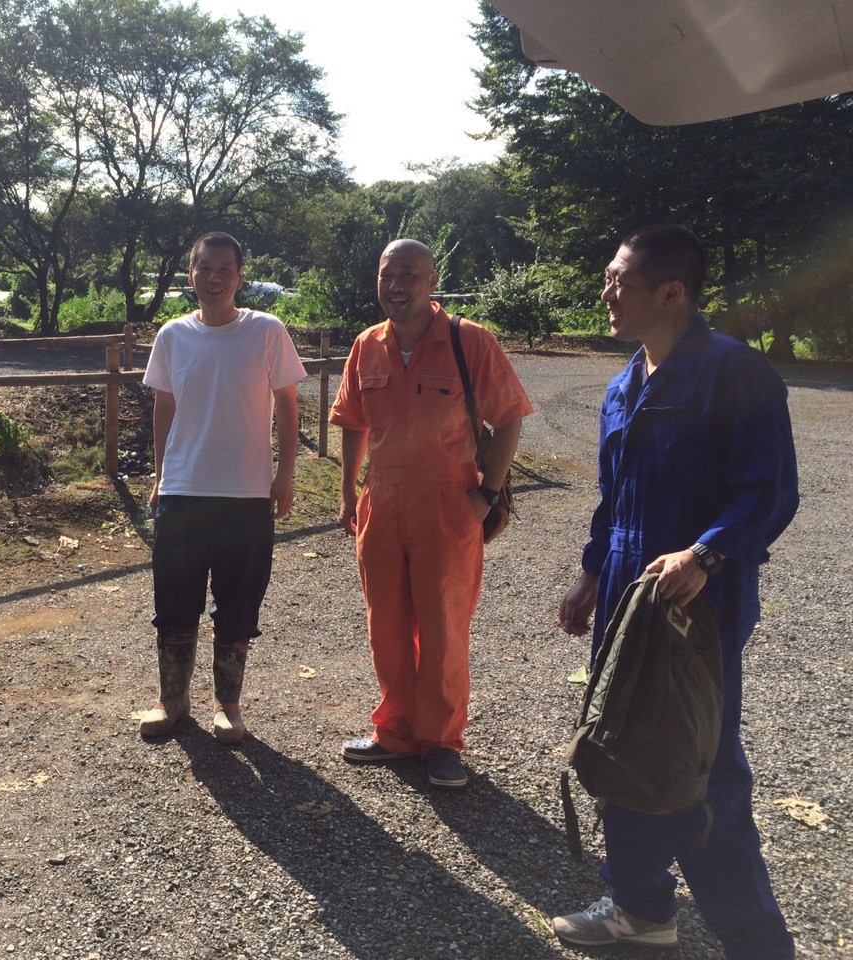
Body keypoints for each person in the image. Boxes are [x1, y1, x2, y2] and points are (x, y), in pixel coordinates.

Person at [553, 224, 798, 956]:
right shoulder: (624, 384)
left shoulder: (734, 373)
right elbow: (614, 497)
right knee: (620, 748)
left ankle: (757, 945)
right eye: (609, 276)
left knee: (700, 772)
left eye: (619, 281)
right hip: (626, 602)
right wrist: (593, 572)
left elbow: (769, 491)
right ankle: (641, 908)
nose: (607, 292)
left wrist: (705, 555)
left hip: (699, 611)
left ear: (671, 292)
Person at [330, 239, 532, 788]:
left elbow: (509, 417)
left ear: (433, 281)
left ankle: (442, 741)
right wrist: (348, 490)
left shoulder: (470, 341)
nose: (397, 286)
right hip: (381, 499)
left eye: (410, 275)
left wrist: (487, 493)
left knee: (443, 625)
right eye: (388, 275)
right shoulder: (367, 345)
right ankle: (396, 732)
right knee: (387, 623)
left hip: (447, 502)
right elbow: (352, 421)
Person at [137, 231, 306, 744]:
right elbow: (164, 410)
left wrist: (285, 476)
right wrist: (160, 476)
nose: (214, 278)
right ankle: (172, 701)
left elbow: (288, 407)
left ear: (240, 277)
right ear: (190, 274)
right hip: (183, 490)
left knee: (239, 602)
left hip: (246, 493)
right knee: (174, 600)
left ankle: (228, 705)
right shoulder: (172, 335)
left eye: (225, 269)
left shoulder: (266, 331)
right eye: (204, 268)